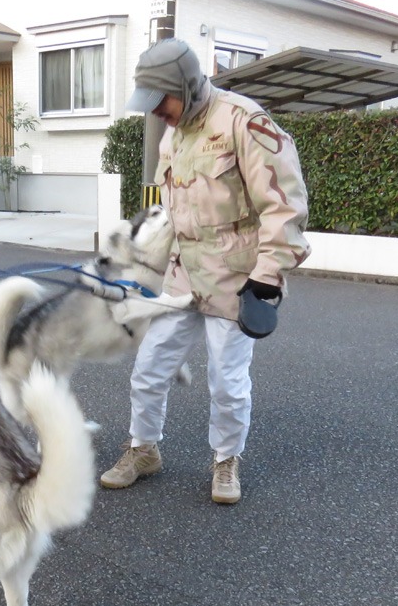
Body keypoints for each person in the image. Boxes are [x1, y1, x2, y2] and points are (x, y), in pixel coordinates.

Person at [100, 38, 311, 503]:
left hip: (236, 278)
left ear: (188, 86)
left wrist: (267, 274)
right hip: (182, 277)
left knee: (227, 381)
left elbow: (285, 206)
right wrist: (140, 261)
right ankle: (143, 449)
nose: (157, 112)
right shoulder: (173, 133)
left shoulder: (243, 122)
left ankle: (225, 461)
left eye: (162, 101)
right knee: (149, 368)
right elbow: (173, 212)